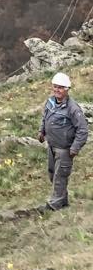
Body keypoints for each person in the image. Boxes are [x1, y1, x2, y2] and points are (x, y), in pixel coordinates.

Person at [38, 71, 88, 210]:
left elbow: (83, 130)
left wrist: (75, 148)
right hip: (51, 146)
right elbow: (45, 117)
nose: (57, 90)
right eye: (55, 86)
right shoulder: (50, 102)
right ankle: (63, 201)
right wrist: (41, 131)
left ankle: (54, 206)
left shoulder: (73, 108)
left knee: (60, 177)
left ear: (67, 89)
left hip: (65, 149)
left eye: (60, 87)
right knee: (52, 174)